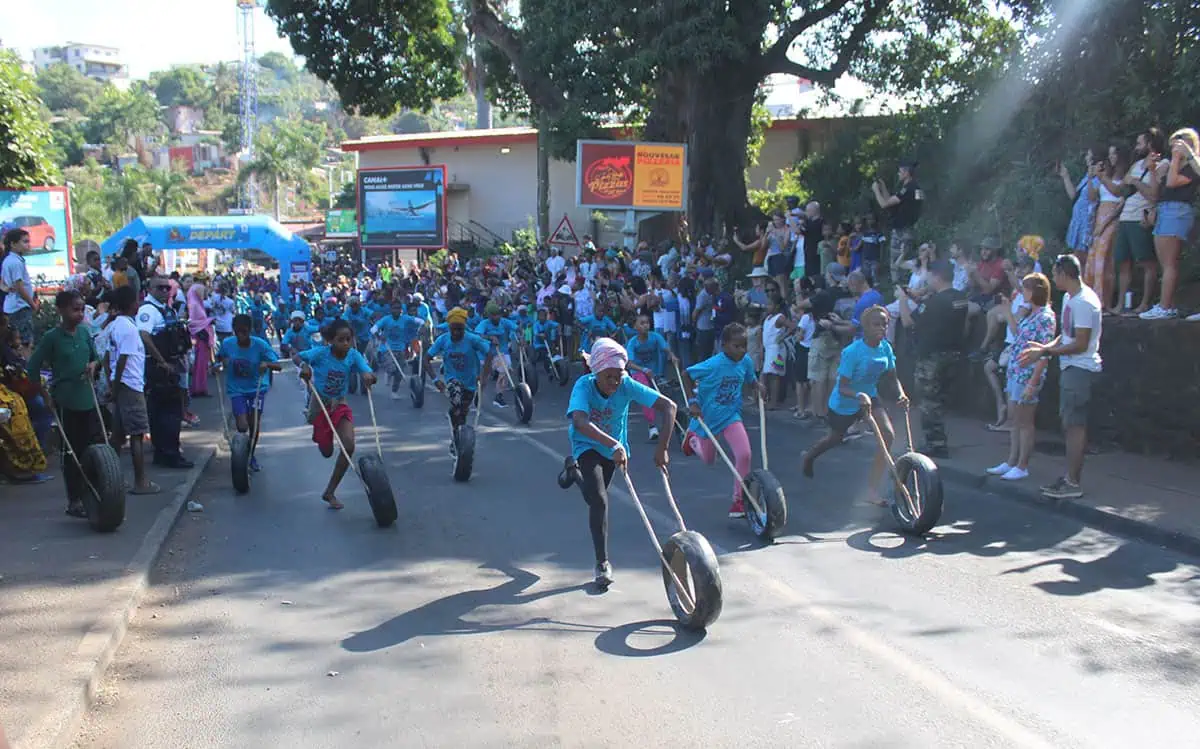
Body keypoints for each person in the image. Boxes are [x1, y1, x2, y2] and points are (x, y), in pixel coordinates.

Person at [561, 338, 676, 588]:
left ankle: (572, 472)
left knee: (593, 498)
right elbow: (579, 421)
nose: (614, 382)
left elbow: (669, 406)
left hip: (614, 450)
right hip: (587, 445)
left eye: (618, 376)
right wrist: (613, 445)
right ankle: (602, 563)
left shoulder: (626, 384)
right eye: (609, 377)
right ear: (596, 372)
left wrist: (663, 448)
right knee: (600, 500)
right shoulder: (584, 386)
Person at [801, 307, 910, 503]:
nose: (881, 328)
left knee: (887, 435)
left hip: (870, 397)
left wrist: (901, 394)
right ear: (865, 328)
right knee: (835, 438)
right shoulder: (852, 352)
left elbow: (893, 378)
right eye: (876, 324)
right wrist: (858, 395)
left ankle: (872, 490)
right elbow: (842, 387)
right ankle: (810, 456)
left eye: (884, 324)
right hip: (845, 402)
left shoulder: (885, 347)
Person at [1018, 254, 1102, 499]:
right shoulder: (1069, 298)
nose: (1053, 279)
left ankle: (1073, 483)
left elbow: (1081, 344)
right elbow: (1066, 336)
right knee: (1069, 425)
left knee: (1075, 427)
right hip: (1070, 368)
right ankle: (1068, 478)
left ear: (1065, 274)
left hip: (1080, 370)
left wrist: (1044, 351)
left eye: (1055, 274)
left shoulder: (1085, 303)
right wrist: (1045, 347)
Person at [680, 324, 767, 519]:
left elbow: (750, 379)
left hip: (731, 416)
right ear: (724, 345)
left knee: (744, 454)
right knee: (709, 460)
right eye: (737, 346)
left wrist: (758, 386)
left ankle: (739, 501)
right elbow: (686, 374)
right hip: (708, 419)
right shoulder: (713, 364)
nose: (742, 350)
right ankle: (693, 440)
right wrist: (692, 402)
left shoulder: (745, 362)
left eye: (744, 345)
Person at [27, 290, 102, 517]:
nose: (79, 314)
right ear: (61, 310)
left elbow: (96, 356)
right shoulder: (52, 337)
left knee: (94, 448)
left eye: (81, 309)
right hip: (66, 400)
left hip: (88, 398)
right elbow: (33, 368)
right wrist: (44, 394)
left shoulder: (84, 333)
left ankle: (95, 491)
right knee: (72, 451)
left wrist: (93, 365)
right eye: (74, 309)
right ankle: (74, 500)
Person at [296, 319, 377, 509]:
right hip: (320, 404)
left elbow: (369, 372)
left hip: (340, 403)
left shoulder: (353, 355)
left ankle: (330, 491)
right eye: (341, 340)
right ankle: (321, 435)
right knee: (326, 452)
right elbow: (298, 357)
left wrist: (369, 377)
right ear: (331, 341)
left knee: (348, 446)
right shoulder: (321, 353)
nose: (346, 344)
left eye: (348, 339)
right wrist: (304, 366)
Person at [986, 273, 1056, 481]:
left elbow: (1044, 352)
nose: (1023, 292)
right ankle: (1011, 461)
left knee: (1025, 422)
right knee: (1014, 420)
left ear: (1036, 291)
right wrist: (1008, 312)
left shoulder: (1045, 317)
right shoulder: (1029, 314)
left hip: (1028, 375)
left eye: (1026, 288)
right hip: (1015, 371)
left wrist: (1033, 382)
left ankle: (1022, 465)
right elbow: (1018, 336)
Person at [897, 260, 968, 457]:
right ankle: (938, 439)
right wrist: (917, 300)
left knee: (929, 402)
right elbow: (934, 313)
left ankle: (935, 443)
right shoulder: (960, 298)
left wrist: (903, 300)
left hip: (932, 358)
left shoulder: (935, 302)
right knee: (941, 400)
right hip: (953, 354)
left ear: (936, 276)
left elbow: (908, 321)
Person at [104, 285, 159, 495]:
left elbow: (108, 356)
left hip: (123, 384)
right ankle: (140, 481)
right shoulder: (127, 328)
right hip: (130, 385)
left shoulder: (116, 325)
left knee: (117, 435)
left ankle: (112, 479)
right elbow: (122, 361)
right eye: (137, 300)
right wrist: (116, 386)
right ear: (130, 304)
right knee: (136, 434)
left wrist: (112, 385)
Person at [137, 276, 194, 469]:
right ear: (149, 288)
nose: (164, 291)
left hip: (172, 363)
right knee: (167, 412)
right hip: (159, 368)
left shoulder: (166, 309)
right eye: (159, 287)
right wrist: (160, 361)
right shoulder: (148, 310)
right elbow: (143, 335)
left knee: (168, 411)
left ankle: (166, 452)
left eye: (166, 288)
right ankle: (168, 454)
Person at [217, 314, 283, 472]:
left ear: (250, 330)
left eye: (244, 332)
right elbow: (219, 359)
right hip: (237, 390)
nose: (241, 335)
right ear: (233, 331)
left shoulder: (260, 345)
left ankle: (251, 455)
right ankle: (241, 454)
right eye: (238, 332)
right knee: (242, 425)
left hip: (256, 389)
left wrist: (266, 364)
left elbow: (278, 366)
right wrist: (219, 364)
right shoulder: (227, 344)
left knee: (253, 424)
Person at [426, 307, 492, 455]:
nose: (456, 333)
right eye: (453, 329)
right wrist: (435, 379)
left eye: (460, 329)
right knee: (456, 405)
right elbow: (426, 359)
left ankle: (458, 436)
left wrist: (484, 376)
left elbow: (489, 354)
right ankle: (457, 438)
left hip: (470, 382)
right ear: (449, 327)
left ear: (464, 327)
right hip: (452, 380)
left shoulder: (472, 339)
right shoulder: (442, 340)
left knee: (462, 412)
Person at [625, 312, 675, 442]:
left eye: (647, 322)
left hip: (654, 371)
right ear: (635, 327)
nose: (646, 326)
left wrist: (672, 356)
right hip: (638, 372)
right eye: (642, 323)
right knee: (646, 395)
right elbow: (629, 363)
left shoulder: (655, 337)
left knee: (660, 397)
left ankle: (670, 421)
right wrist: (643, 369)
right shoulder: (632, 343)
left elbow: (665, 348)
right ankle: (652, 426)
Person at [872, 159, 923, 281]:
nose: (898, 174)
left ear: (906, 173)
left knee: (897, 264)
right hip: (909, 230)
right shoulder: (916, 188)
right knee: (903, 261)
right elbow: (891, 201)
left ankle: (900, 289)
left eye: (900, 172)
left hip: (902, 232)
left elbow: (884, 204)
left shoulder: (908, 189)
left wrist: (876, 190)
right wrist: (883, 187)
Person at [1, 228, 38, 353]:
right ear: (13, 244)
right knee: (25, 341)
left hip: (12, 306)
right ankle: (27, 369)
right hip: (20, 307)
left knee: (15, 340)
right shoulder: (15, 263)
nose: (28, 245)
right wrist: (32, 304)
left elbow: (3, 283)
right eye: (25, 241)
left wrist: (6, 288)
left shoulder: (8, 260)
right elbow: (19, 287)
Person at [475, 302, 519, 407]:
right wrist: (489, 337)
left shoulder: (504, 322)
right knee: (484, 379)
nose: (497, 317)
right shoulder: (484, 324)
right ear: (489, 316)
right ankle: (478, 395)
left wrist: (521, 337)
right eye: (494, 315)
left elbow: (517, 328)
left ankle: (499, 396)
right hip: (486, 355)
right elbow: (478, 335)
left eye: (498, 314)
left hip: (501, 352)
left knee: (506, 369)